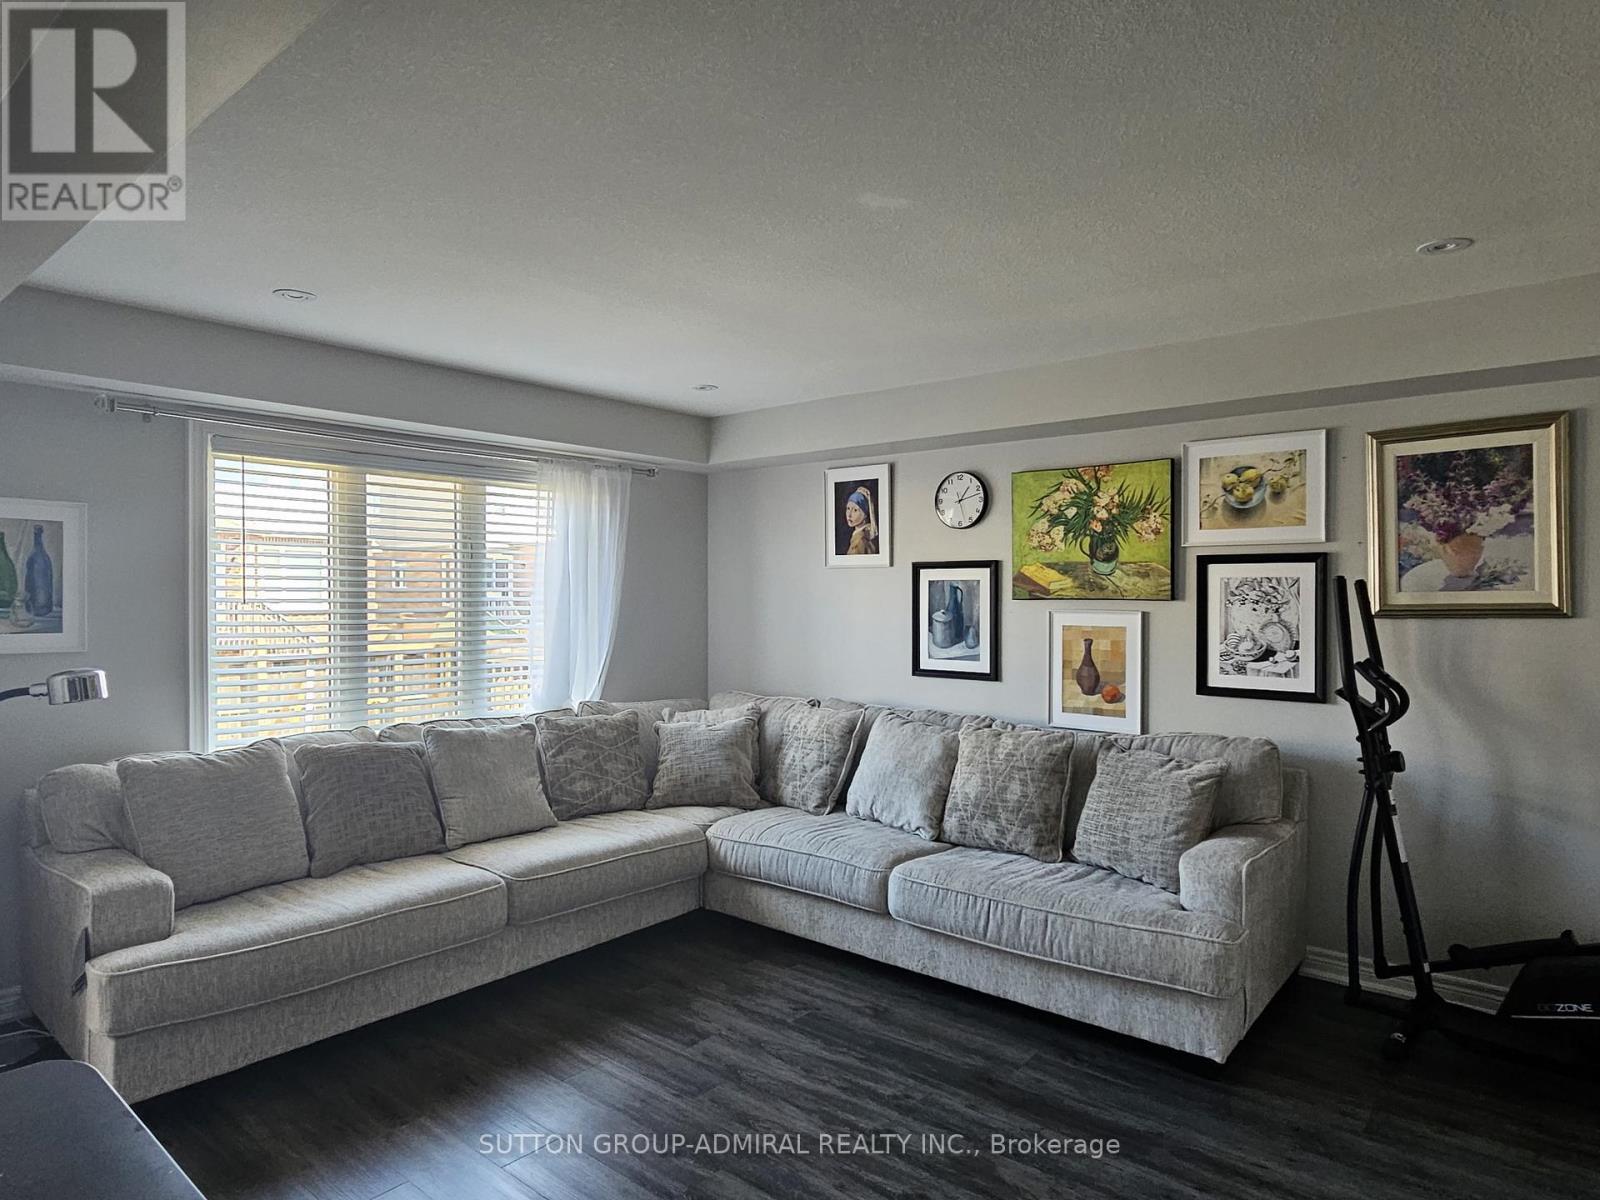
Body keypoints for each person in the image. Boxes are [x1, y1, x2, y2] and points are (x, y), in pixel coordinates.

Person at [843, 487, 879, 555]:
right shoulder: (862, 534)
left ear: (865, 514)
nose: (849, 515)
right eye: (848, 508)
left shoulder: (860, 540)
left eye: (855, 510)